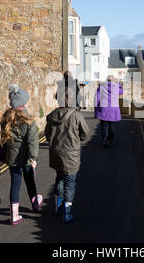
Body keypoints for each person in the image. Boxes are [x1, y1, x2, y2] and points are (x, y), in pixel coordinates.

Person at [45, 87, 90, 223]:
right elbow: (85, 133)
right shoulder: (76, 115)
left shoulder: (51, 115)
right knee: (70, 183)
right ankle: (67, 212)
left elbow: (47, 135)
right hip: (71, 154)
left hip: (56, 153)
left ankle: (58, 207)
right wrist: (77, 140)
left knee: (59, 178)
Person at [0, 84, 43, 225]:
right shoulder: (29, 120)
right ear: (24, 102)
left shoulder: (6, 118)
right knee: (30, 181)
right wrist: (34, 158)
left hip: (12, 158)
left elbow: (4, 139)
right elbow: (32, 141)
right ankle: (35, 203)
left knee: (15, 184)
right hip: (26, 159)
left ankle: (14, 215)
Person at [94, 75, 123, 148]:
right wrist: (118, 84)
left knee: (104, 125)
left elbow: (96, 98)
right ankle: (111, 138)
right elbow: (121, 91)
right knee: (111, 124)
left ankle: (105, 139)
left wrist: (97, 108)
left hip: (104, 108)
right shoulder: (116, 87)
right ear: (113, 80)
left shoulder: (101, 87)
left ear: (106, 80)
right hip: (113, 109)